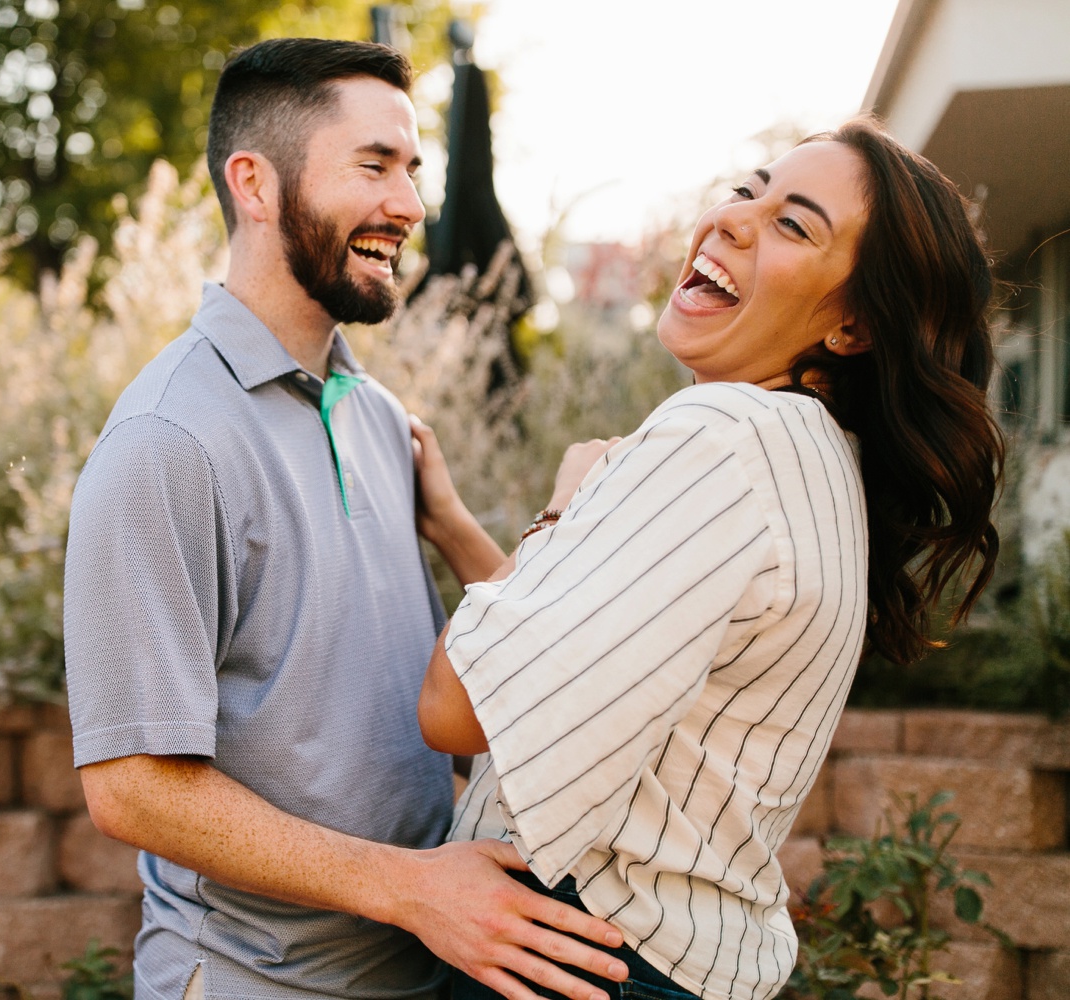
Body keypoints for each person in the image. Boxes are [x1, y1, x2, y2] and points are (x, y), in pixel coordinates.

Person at [63, 37, 630, 1000]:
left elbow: (443, 690)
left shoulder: (371, 414)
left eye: (412, 170)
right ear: (254, 183)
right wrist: (412, 889)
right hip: (258, 982)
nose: (409, 205)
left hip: (425, 967)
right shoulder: (166, 441)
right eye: (373, 166)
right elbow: (132, 787)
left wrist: (449, 522)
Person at [413, 116, 1003, 1000]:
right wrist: (458, 527)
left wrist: (564, 506)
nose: (734, 220)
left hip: (575, 952)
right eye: (748, 190)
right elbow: (580, 661)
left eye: (794, 224)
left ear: (851, 327)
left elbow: (457, 710)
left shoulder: (721, 438)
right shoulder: (819, 459)